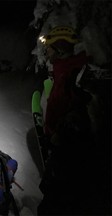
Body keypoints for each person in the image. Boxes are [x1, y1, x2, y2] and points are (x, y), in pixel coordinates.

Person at [37, 26, 96, 215]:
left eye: (50, 48)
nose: (46, 52)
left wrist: (59, 135)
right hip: (61, 151)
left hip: (69, 158)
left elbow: (79, 114)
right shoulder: (63, 72)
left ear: (60, 49)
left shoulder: (74, 75)